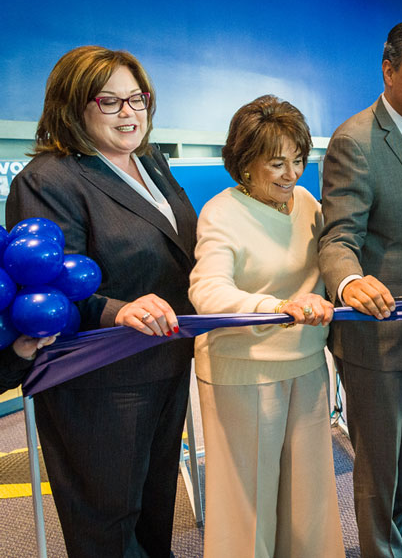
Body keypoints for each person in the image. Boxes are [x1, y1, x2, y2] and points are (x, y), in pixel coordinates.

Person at [5, 46, 198, 557]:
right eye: (109, 101)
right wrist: (117, 310)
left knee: (156, 504)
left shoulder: (150, 161)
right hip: (100, 376)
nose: (129, 112)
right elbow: (49, 286)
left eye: (137, 98)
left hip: (165, 358)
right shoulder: (47, 179)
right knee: (107, 519)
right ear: (73, 106)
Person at [318, 19, 402, 558]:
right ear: (389, 70)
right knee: (378, 461)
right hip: (376, 336)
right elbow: (338, 236)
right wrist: (349, 281)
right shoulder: (355, 140)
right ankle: (381, 550)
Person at [188, 95, 344, 558]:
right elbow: (207, 292)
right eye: (277, 163)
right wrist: (277, 306)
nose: (291, 174)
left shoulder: (307, 203)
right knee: (248, 504)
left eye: (298, 160)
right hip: (244, 369)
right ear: (245, 164)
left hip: (306, 361)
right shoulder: (221, 212)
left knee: (308, 496)